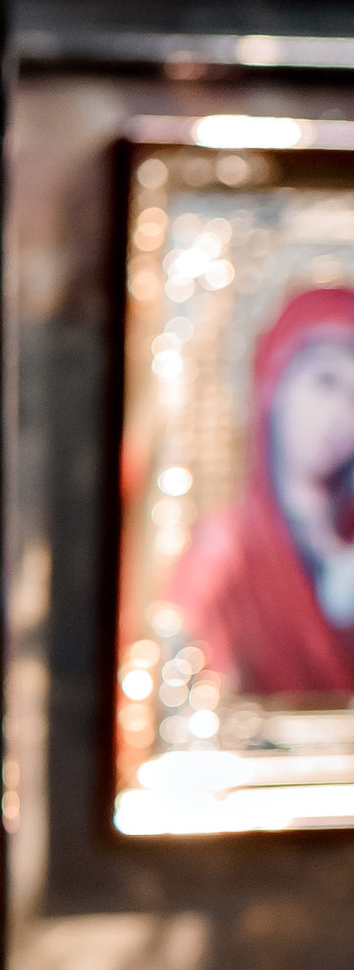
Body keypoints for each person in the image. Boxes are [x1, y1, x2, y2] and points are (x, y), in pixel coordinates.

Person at [168, 282, 354, 699]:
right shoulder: (219, 555)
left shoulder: (344, 534)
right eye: (325, 382)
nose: (341, 415)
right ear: (275, 381)